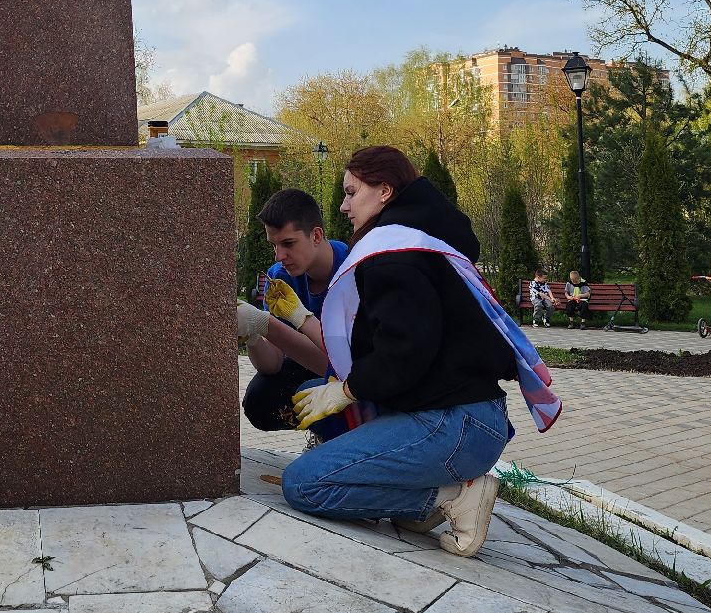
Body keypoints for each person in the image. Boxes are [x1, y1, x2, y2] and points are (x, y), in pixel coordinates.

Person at [280, 146, 560, 558]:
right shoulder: (421, 240)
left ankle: (450, 497)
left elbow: (405, 351)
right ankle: (432, 494)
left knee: (304, 484)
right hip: (468, 419)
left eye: (352, 192)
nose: (343, 206)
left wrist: (347, 390)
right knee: (311, 395)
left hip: (453, 425)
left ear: (385, 191)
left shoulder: (394, 255)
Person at [237, 189, 343, 433]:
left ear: (316, 235)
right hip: (303, 362)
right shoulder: (279, 276)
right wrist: (252, 336)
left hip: (353, 377)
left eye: (288, 244)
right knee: (259, 400)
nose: (279, 256)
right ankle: (321, 431)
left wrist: (267, 324)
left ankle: (337, 436)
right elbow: (272, 364)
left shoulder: (351, 270)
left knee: (320, 391)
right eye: (274, 245)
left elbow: (342, 366)